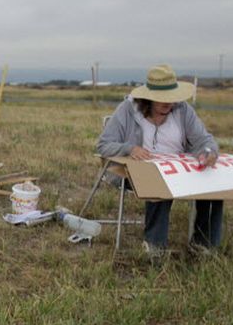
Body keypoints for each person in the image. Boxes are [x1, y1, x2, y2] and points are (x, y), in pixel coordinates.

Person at [95, 63, 222, 256]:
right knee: (158, 179)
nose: (168, 104)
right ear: (148, 98)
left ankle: (204, 243)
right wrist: (129, 148)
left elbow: (204, 140)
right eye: (162, 99)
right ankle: (154, 246)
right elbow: (103, 145)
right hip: (134, 172)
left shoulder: (183, 111)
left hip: (177, 168)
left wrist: (207, 152)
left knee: (212, 181)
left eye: (171, 99)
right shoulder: (128, 110)